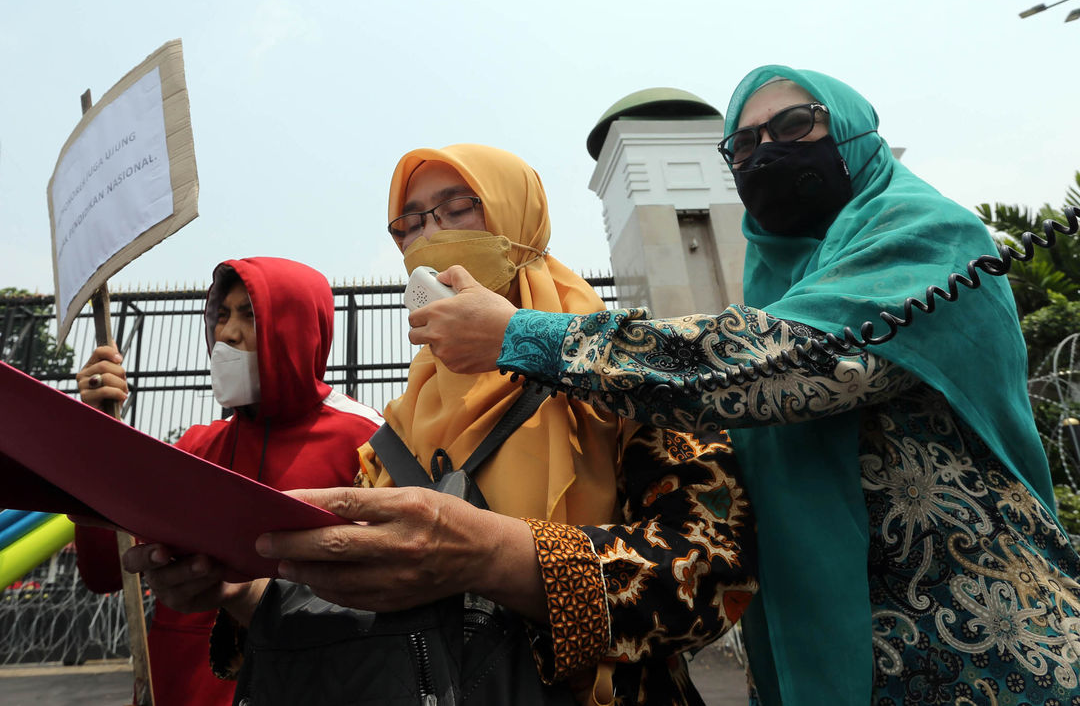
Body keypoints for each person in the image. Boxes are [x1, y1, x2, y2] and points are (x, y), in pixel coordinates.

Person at [408, 71, 1080, 705]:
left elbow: (766, 379)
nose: (766, 152)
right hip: (811, 668)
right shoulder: (396, 423)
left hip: (982, 653)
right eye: (743, 144)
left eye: (794, 123)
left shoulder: (930, 240)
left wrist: (528, 343)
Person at [226, 144, 757, 705]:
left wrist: (494, 556)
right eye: (409, 222)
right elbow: (365, 611)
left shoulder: (619, 378)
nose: (429, 237)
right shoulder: (393, 432)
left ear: (517, 219)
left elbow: (713, 571)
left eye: (458, 209)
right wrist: (241, 594)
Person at [75, 257, 383, 706]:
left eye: (250, 315)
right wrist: (97, 439)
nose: (227, 333)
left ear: (297, 327)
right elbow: (105, 572)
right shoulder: (195, 448)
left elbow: (386, 597)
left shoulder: (365, 440)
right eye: (221, 316)